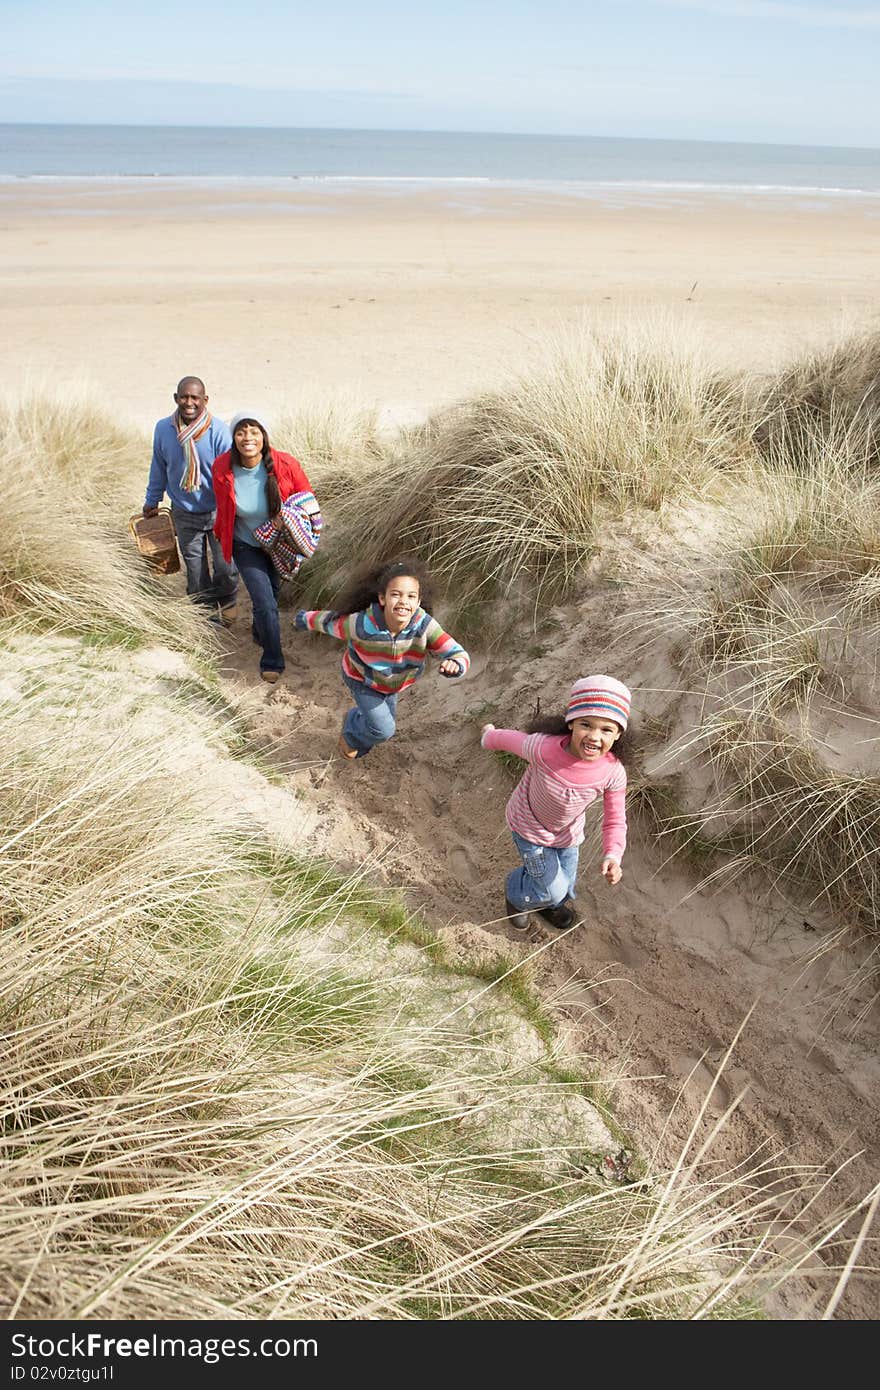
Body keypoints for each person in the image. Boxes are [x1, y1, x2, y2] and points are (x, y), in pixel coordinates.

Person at [480, 675, 632, 931]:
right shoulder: (544, 749)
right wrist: (488, 736)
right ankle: (517, 895)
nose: (594, 736)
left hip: (567, 835)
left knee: (565, 886)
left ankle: (549, 900)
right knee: (553, 888)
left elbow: (615, 819)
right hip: (530, 829)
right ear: (571, 723)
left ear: (618, 734)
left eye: (606, 729)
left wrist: (613, 855)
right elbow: (511, 740)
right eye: (586, 724)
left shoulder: (613, 772)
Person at [293, 558, 469, 758]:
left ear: (418, 601)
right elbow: (329, 622)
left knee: (380, 726)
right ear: (382, 598)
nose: (403, 601)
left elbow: (456, 651)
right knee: (384, 729)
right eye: (396, 594)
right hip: (362, 679)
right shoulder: (362, 624)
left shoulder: (424, 626)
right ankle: (351, 731)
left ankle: (359, 730)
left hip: (393, 684)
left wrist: (455, 663)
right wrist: (303, 619)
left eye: (411, 596)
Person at [213, 411, 315, 683]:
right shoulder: (222, 467)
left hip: (280, 543)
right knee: (265, 602)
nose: (248, 438)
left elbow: (307, 499)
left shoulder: (285, 464)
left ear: (264, 436)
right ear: (234, 437)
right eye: (241, 432)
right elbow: (223, 507)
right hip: (245, 544)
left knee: (271, 593)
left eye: (254, 431)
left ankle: (260, 632)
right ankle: (272, 658)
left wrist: (289, 518)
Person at [143, 376, 238, 614]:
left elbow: (231, 474)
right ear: (175, 398)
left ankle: (226, 601)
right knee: (195, 572)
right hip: (184, 512)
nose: (189, 402)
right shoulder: (163, 429)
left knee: (226, 567)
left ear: (205, 400)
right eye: (184, 397)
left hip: (218, 512)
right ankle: (204, 614)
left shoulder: (219, 432)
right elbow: (159, 466)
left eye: (195, 397)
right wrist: (152, 500)